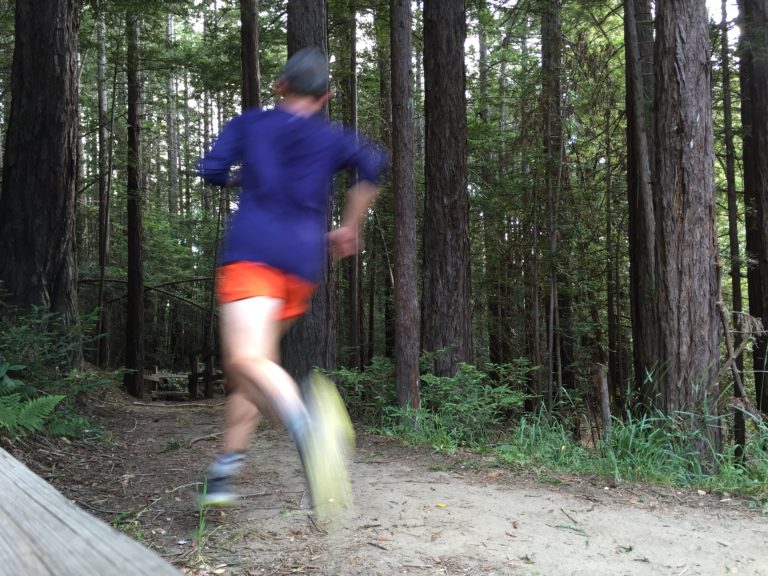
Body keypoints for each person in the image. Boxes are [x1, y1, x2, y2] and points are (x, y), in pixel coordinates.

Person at [197, 47, 386, 517]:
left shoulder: (251, 124)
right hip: (302, 265)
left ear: (281, 86)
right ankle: (224, 471)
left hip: (254, 253)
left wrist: (238, 178)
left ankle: (306, 423)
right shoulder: (332, 137)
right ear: (323, 97)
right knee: (256, 367)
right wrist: (350, 225)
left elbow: (211, 170)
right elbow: (374, 164)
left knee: (244, 360)